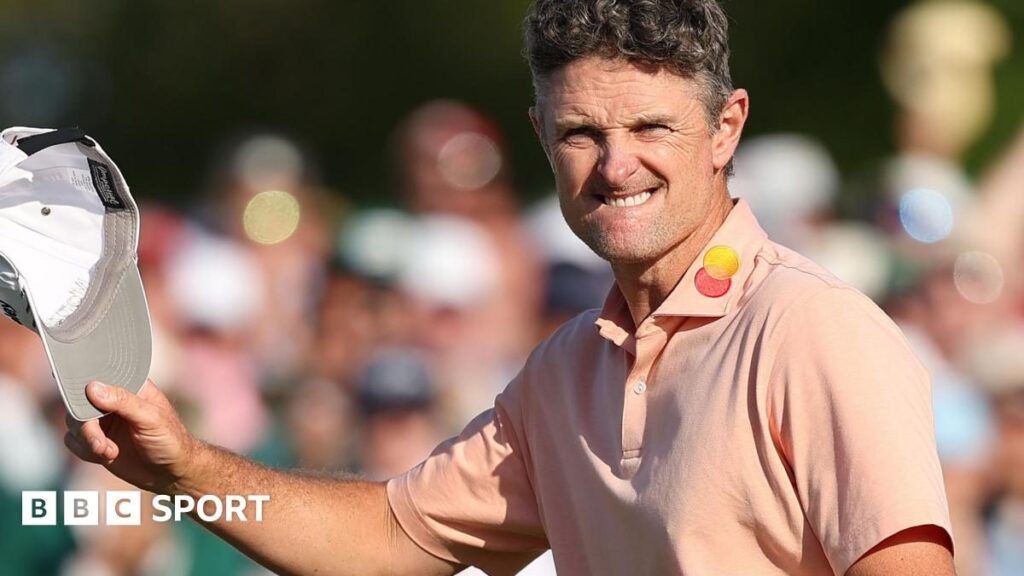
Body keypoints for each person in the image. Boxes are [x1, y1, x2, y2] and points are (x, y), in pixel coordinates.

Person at [64, 1, 955, 574]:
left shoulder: (815, 330)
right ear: (539, 134)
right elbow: (385, 541)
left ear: (726, 129)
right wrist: (184, 470)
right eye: (580, 132)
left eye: (651, 125)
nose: (616, 165)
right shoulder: (564, 370)